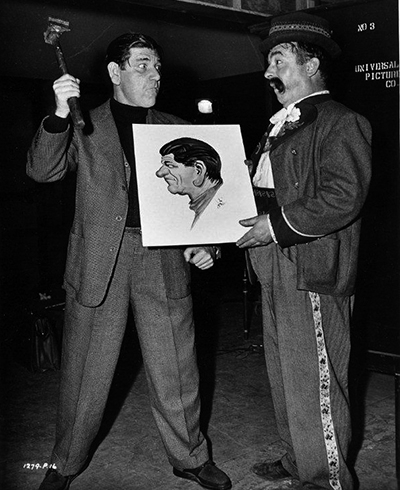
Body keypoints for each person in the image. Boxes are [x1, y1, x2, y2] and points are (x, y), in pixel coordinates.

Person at [27, 32, 231, 490]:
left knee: (175, 364)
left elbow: (211, 198)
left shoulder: (176, 127)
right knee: (85, 370)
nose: (154, 74)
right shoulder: (85, 124)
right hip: (101, 257)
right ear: (115, 73)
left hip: (161, 256)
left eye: (157, 66)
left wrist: (208, 243)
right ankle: (64, 461)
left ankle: (190, 457)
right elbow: (42, 170)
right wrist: (59, 114)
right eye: (142, 65)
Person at [236, 12, 371, 490]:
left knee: (316, 374)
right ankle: (299, 456)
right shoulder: (277, 126)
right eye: (269, 61)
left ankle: (325, 477)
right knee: (284, 367)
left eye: (279, 59)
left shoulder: (341, 122)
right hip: (271, 259)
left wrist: (273, 226)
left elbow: (343, 196)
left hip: (310, 263)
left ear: (311, 63)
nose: (269, 71)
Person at [156, 137, 224, 229]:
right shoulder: (202, 208)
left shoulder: (225, 207)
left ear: (199, 170)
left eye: (170, 165)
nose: (160, 173)